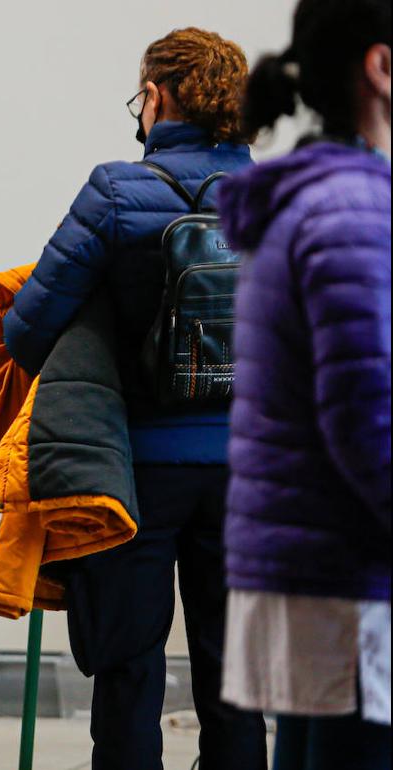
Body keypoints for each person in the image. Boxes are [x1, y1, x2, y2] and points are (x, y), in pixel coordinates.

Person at [2, 28, 267, 769]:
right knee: (237, 676)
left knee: (128, 664)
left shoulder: (115, 192)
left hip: (132, 472)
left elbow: (27, 334)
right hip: (249, 472)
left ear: (155, 96)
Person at [216, 1, 391, 767]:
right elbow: (367, 413)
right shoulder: (355, 208)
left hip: (314, 563)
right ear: (380, 68)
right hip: (350, 571)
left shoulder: (308, 202)